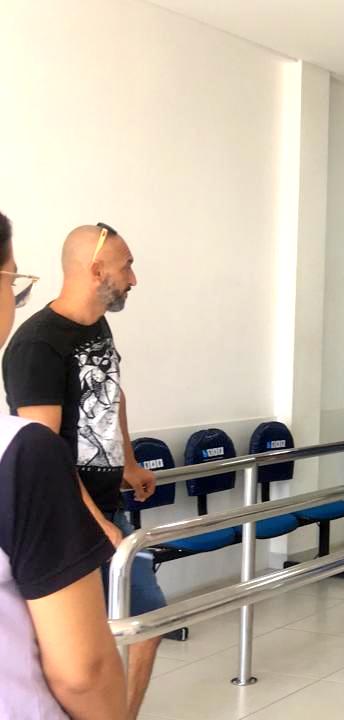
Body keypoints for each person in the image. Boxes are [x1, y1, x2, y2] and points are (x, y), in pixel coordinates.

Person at [3, 223, 160, 719]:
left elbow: (112, 397)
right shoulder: (36, 344)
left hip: (107, 508)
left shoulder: (97, 327)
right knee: (80, 655)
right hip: (69, 524)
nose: (133, 278)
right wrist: (96, 520)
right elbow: (43, 447)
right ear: (97, 271)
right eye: (127, 265)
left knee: (146, 621)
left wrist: (129, 464)